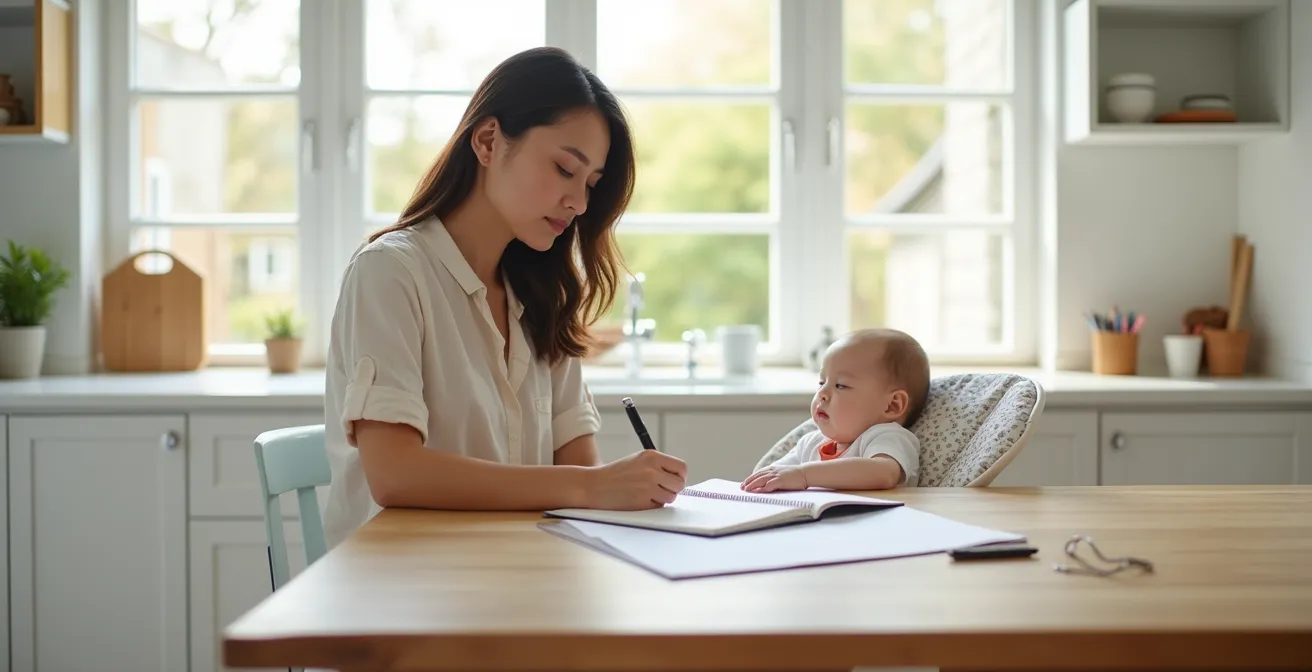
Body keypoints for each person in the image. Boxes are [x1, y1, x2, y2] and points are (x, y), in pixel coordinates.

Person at [321, 46, 687, 549]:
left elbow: (580, 467)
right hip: (400, 588)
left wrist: (616, 490)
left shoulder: (543, 295)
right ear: (489, 141)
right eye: (564, 169)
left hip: (515, 573)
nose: (579, 202)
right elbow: (394, 473)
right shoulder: (391, 272)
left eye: (590, 184)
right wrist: (591, 487)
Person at [740, 328, 929, 493]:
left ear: (892, 405)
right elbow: (773, 477)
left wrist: (804, 475)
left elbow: (883, 473)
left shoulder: (888, 437)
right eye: (822, 382)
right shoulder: (810, 444)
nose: (822, 393)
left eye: (840, 385)